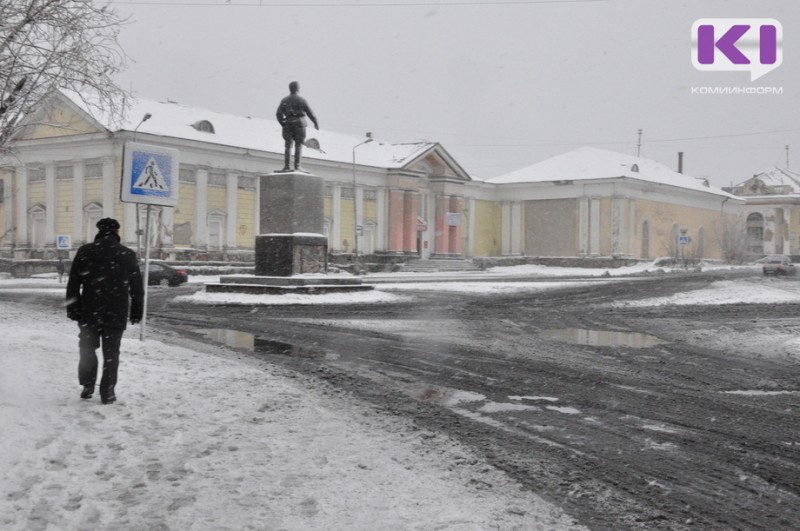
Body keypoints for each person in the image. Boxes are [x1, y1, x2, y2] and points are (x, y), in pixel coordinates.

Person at [66, 218, 143, 404]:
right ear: (117, 232)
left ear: (99, 231)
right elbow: (136, 286)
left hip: (89, 310)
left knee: (87, 349)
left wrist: (73, 307)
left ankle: (88, 384)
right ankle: (108, 391)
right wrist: (136, 310)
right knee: (112, 353)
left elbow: (74, 282)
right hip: (116, 311)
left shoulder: (86, 251)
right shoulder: (127, 254)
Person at [275, 81, 319, 172]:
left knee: (288, 145)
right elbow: (310, 113)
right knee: (298, 145)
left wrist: (283, 123)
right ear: (298, 88)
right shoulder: (301, 100)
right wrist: (315, 122)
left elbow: (278, 113)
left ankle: (287, 166)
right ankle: (297, 165)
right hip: (299, 123)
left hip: (288, 123)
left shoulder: (284, 100)